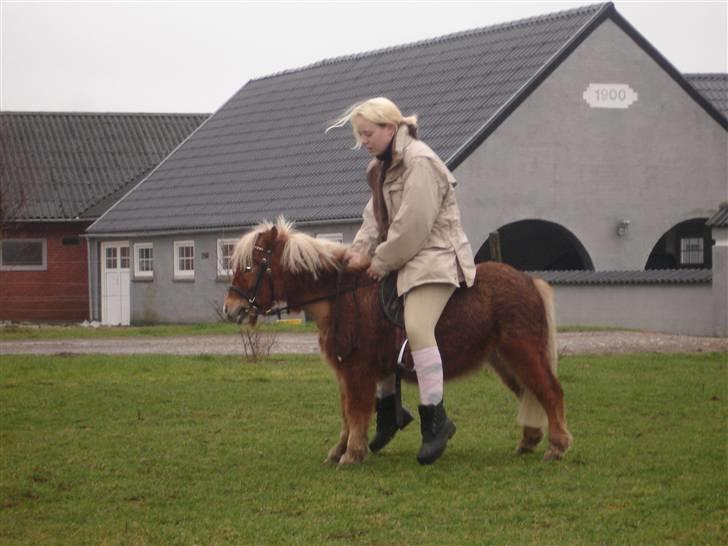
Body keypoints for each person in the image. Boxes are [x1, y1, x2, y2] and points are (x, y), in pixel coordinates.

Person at [327, 97, 476, 465]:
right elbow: (372, 219)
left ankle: (435, 418)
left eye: (368, 133)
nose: (363, 140)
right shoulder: (378, 169)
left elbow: (414, 226)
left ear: (390, 128)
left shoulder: (420, 162)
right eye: (359, 134)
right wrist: (357, 253)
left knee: (417, 326)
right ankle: (391, 411)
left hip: (435, 258)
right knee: (369, 325)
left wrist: (378, 262)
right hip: (402, 260)